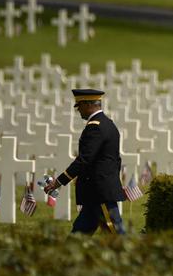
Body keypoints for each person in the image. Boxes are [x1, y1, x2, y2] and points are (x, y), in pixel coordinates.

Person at [42, 89, 126, 235]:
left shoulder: (95, 127)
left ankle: (132, 258)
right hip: (96, 191)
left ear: (88, 104)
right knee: (80, 233)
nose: (78, 110)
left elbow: (84, 159)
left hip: (100, 192)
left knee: (116, 234)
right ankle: (66, 258)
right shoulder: (107, 123)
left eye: (79, 106)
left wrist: (59, 181)